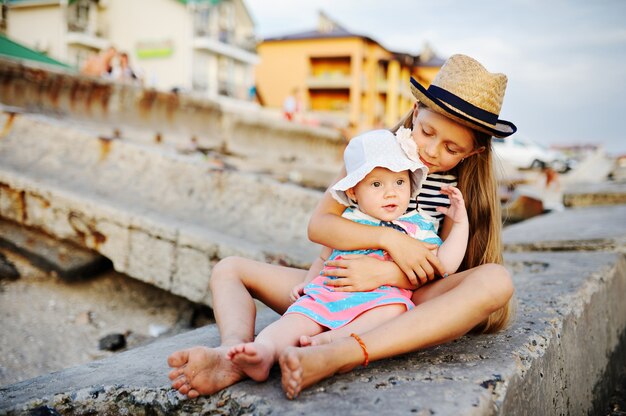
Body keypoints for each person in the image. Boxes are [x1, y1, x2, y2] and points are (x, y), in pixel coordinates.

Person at [167, 53, 517, 399]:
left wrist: (384, 275)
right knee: (229, 269)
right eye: (427, 132)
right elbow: (320, 226)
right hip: (337, 283)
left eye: (452, 147)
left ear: (473, 153)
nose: (432, 149)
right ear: (415, 113)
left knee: (496, 281)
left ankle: (340, 352)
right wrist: (386, 239)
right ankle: (235, 354)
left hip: (401, 297)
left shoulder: (458, 193)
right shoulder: (373, 154)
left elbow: (442, 265)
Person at [222, 128, 469, 383]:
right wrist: (309, 283)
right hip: (330, 292)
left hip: (379, 301)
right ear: (353, 193)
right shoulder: (348, 220)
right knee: (296, 318)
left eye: (399, 182)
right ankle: (263, 351)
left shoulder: (417, 226)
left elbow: (444, 264)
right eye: (376, 184)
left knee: (395, 310)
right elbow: (324, 257)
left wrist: (460, 224)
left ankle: (328, 342)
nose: (391, 193)